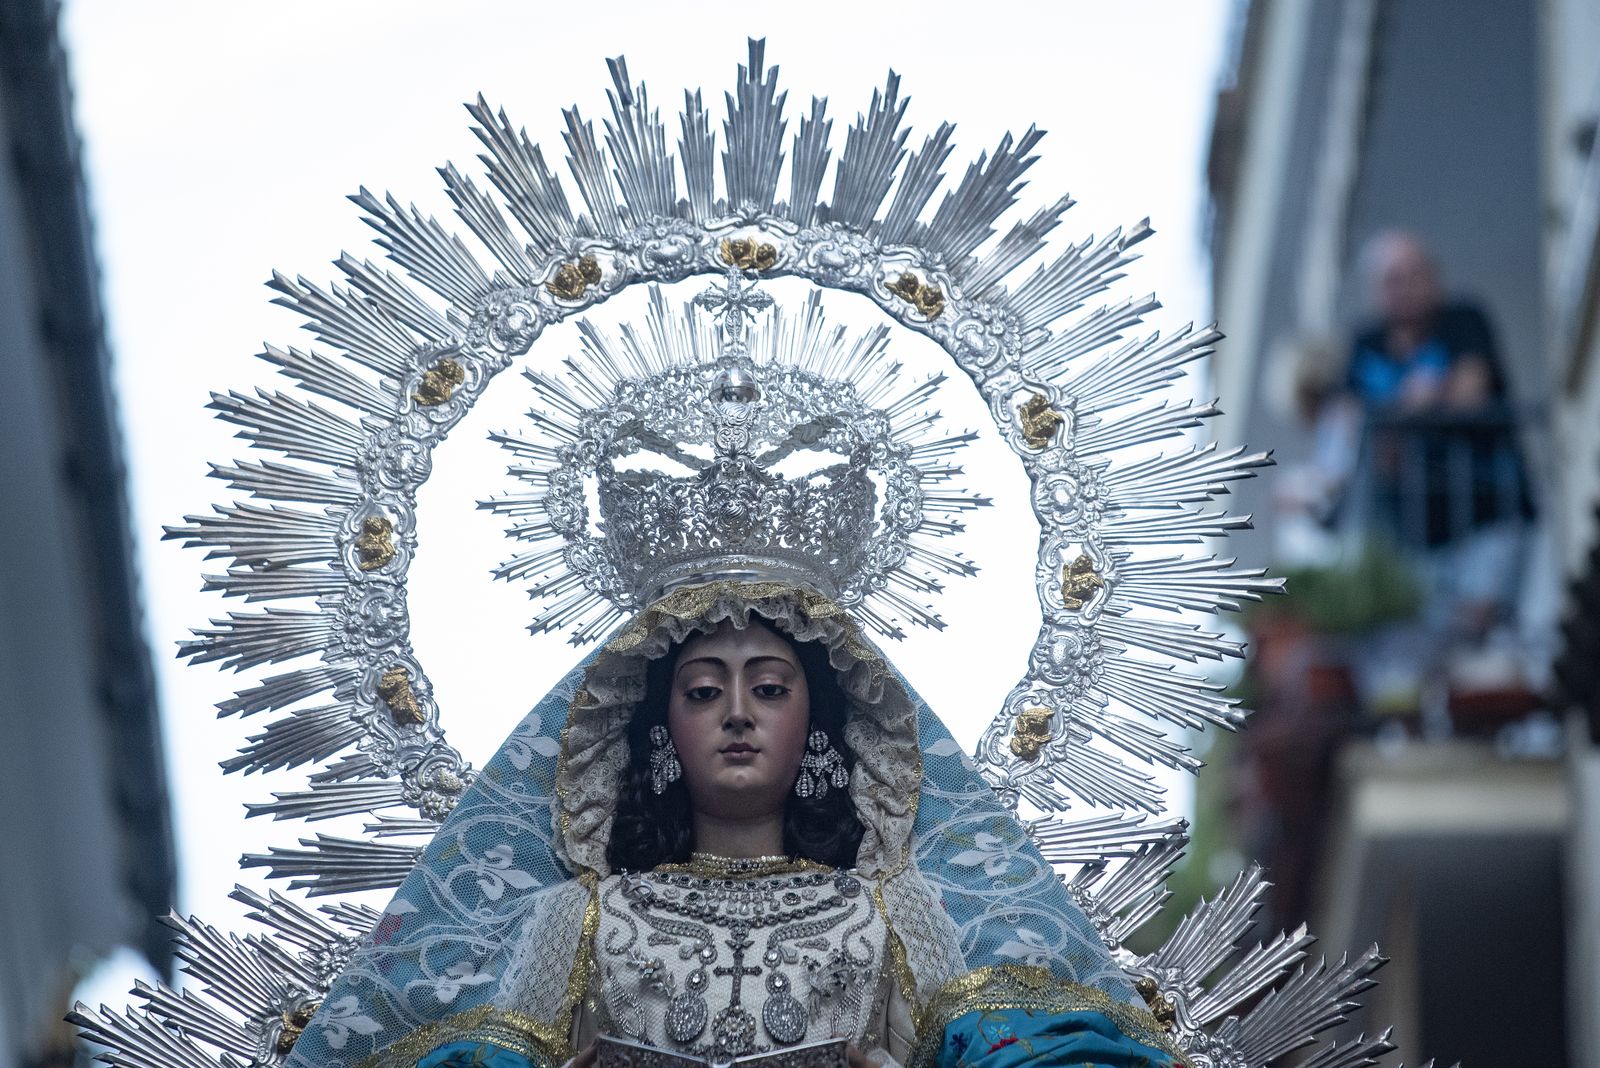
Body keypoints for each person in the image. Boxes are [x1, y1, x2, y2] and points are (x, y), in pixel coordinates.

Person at [280, 583, 1182, 1068]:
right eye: (706, 690)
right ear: (664, 730)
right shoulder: (581, 918)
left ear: (815, 728)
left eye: (771, 689)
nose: (738, 713)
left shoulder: (896, 911)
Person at [1343, 231, 1535, 648]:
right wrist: (1420, 399)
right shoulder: (1365, 343)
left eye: (1416, 274)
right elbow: (1353, 431)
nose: (1407, 287)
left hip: (1490, 515)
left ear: (1434, 277)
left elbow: (1472, 392)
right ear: (1374, 290)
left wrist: (1409, 406)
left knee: (1493, 644)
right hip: (1413, 538)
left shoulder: (1463, 319)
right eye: (1394, 279)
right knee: (1434, 662)